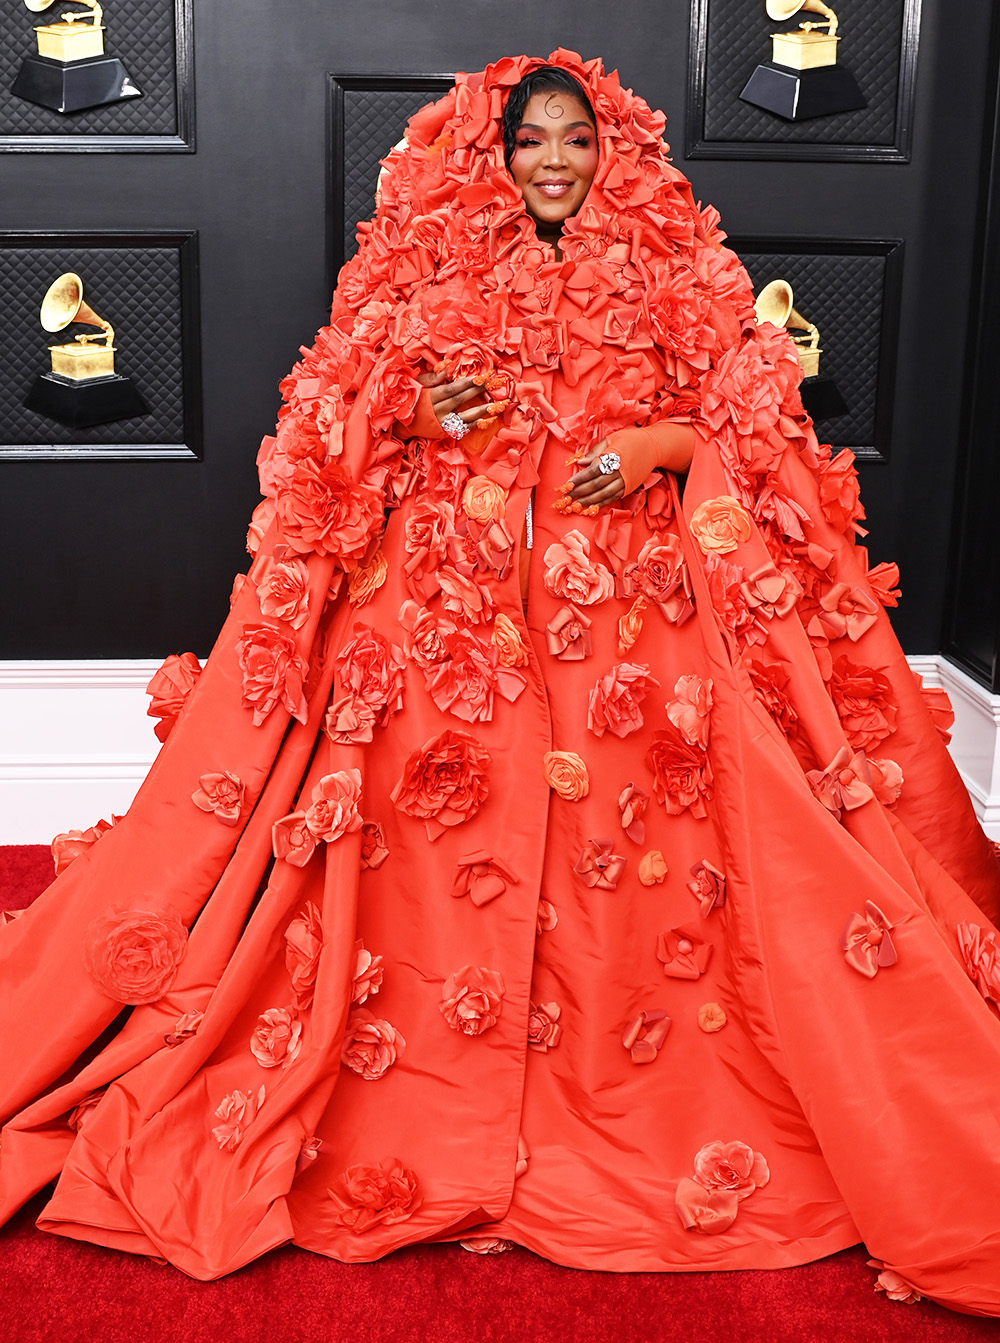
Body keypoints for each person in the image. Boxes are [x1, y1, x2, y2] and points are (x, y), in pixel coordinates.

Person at [2, 49, 1000, 1315]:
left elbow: (759, 430)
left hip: (634, 620)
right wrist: (415, 414)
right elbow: (325, 411)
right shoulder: (418, 263)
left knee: (648, 851)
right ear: (488, 151)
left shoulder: (678, 265)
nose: (552, 162)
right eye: (528, 139)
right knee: (424, 831)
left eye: (575, 140)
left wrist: (654, 443)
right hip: (444, 612)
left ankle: (614, 1074)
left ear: (611, 151)